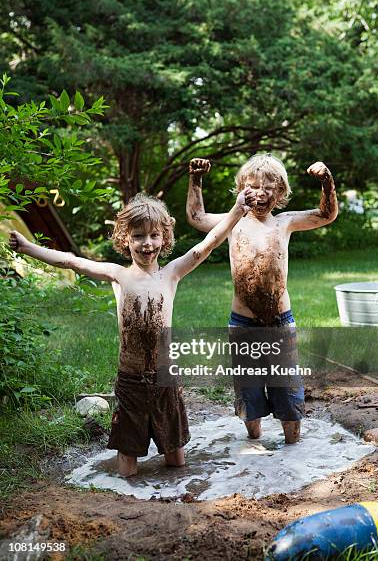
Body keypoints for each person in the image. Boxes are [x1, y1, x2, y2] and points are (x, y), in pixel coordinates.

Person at [9, 187, 255, 477]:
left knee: (176, 460)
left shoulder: (172, 273)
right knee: (127, 465)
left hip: (166, 379)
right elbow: (70, 261)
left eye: (153, 236)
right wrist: (27, 247)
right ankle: (126, 498)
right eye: (138, 236)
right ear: (126, 239)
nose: (146, 244)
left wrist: (238, 209)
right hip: (130, 380)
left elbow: (209, 243)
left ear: (164, 238)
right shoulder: (118, 275)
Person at [186, 154, 338, 444]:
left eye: (269, 187)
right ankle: (254, 443)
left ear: (280, 193)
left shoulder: (284, 223)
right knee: (248, 389)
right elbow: (196, 217)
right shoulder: (232, 223)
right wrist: (196, 180)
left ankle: (293, 450)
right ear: (242, 189)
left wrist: (327, 182)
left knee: (287, 388)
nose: (260, 192)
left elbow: (326, 214)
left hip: (280, 322)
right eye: (253, 186)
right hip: (242, 323)